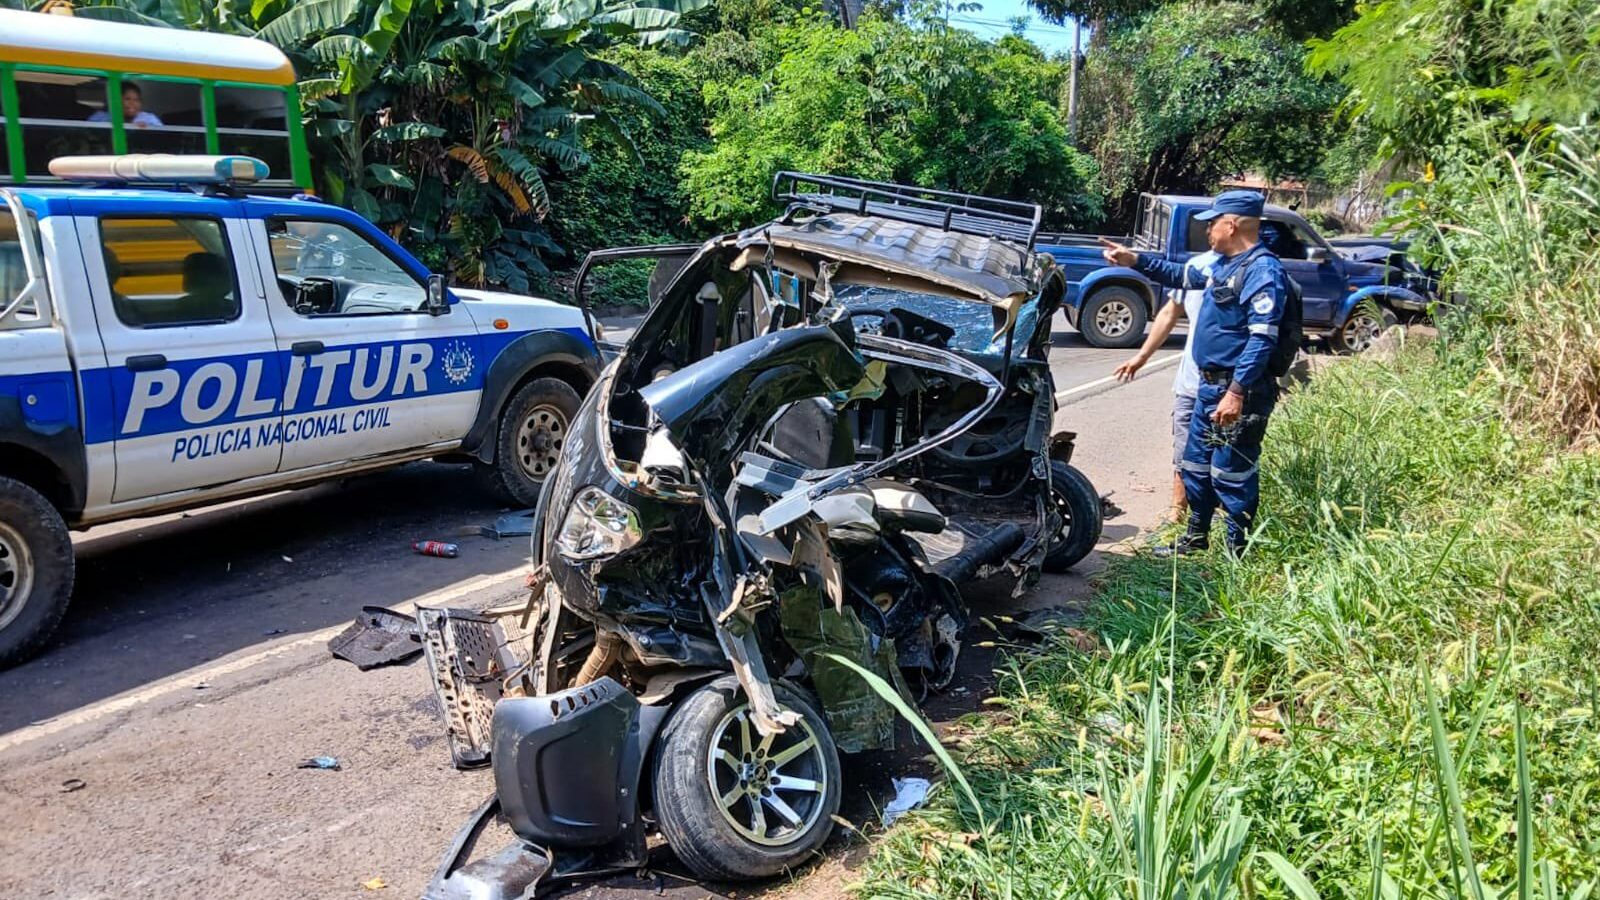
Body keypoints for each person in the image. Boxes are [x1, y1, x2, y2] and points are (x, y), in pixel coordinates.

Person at [1100, 190, 1287, 556]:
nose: (1208, 232)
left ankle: (1237, 556)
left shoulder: (1262, 271)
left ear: (1231, 225)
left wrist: (1236, 391)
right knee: (1195, 466)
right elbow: (1178, 274)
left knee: (1232, 474)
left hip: (1238, 392)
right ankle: (1196, 537)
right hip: (1207, 387)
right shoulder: (1220, 264)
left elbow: (1262, 339)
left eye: (1212, 224)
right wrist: (1133, 260)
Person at [1112, 247, 1219, 524]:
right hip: (1191, 383)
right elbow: (1169, 313)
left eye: (1215, 222)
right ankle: (1177, 514)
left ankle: (1215, 522)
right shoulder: (1198, 265)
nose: (1210, 230)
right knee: (1183, 452)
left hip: (1228, 388)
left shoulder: (1255, 270)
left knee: (1222, 457)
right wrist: (1141, 357)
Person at [89, 83, 163, 128]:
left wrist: (145, 131)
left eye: (136, 100)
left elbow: (160, 137)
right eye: (127, 99)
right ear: (116, 100)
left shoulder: (149, 119)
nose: (132, 103)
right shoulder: (99, 117)